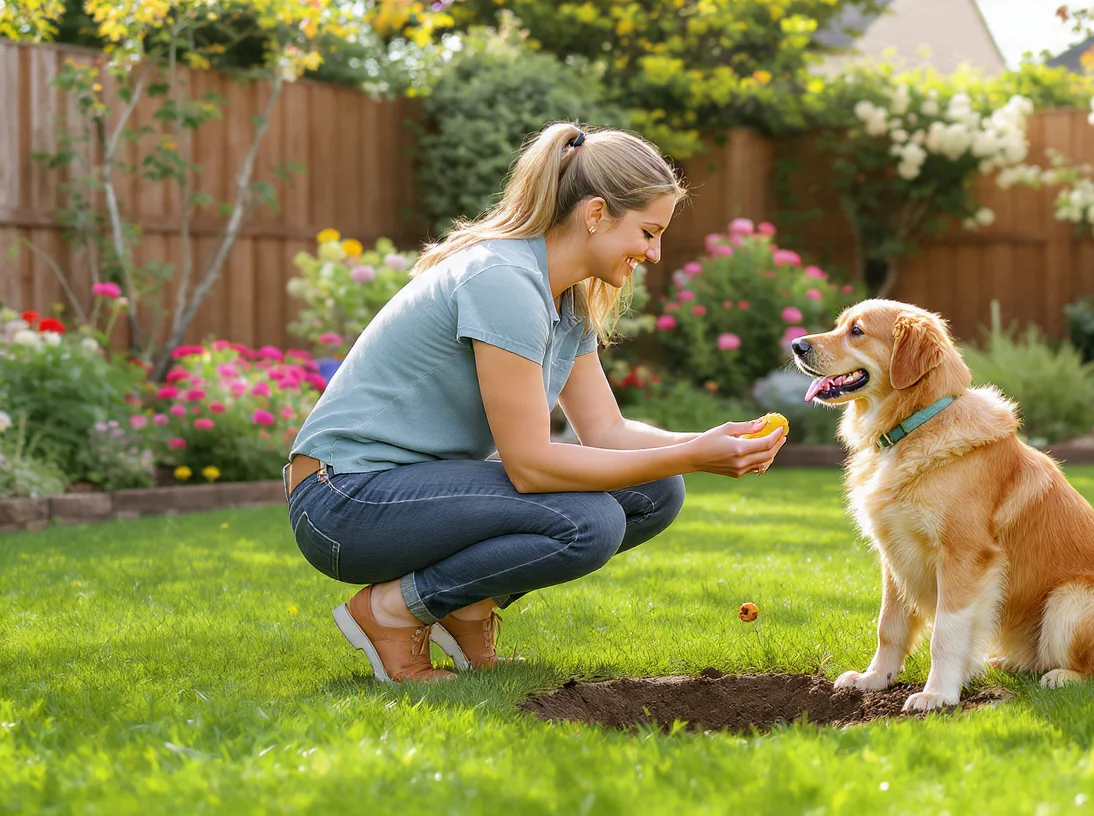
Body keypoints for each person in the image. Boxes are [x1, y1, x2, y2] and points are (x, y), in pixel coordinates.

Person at [283, 123, 787, 684]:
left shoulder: (564, 300)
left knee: (655, 492)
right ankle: (389, 612)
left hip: (413, 488)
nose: (655, 252)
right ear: (595, 214)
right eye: (648, 232)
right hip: (344, 499)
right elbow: (530, 465)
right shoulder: (504, 281)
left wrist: (707, 443)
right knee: (589, 522)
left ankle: (466, 610)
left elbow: (607, 430)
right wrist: (693, 455)